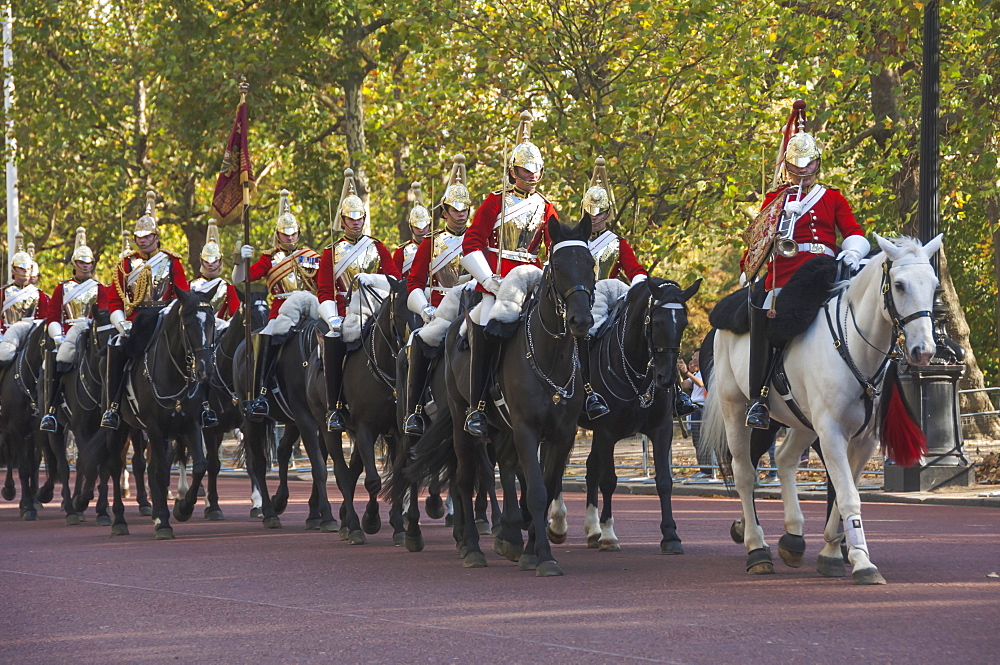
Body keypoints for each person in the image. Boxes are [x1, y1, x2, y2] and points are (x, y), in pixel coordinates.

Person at [740, 100, 868, 429]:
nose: (803, 171)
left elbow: (852, 230)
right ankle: (758, 396)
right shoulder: (775, 199)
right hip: (784, 273)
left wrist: (852, 252)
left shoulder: (833, 197)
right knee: (760, 317)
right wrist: (749, 265)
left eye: (808, 165)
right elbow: (757, 240)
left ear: (817, 164)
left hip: (825, 271)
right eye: (797, 166)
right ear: (788, 166)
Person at [459, 110, 560, 436]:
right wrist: (488, 279)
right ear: (512, 171)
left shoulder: (546, 207)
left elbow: (554, 247)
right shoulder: (494, 203)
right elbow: (472, 243)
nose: (530, 176)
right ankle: (477, 406)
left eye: (535, 172)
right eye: (523, 171)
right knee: (485, 326)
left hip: (532, 284)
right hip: (495, 285)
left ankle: (580, 394)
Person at [583, 156, 695, 417]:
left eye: (601, 213)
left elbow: (635, 270)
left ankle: (675, 393)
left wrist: (641, 286)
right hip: (582, 299)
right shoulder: (573, 240)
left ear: (608, 213)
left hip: (611, 295)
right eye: (591, 212)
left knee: (651, 331)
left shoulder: (617, 242)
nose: (596, 218)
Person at [315, 168, 402, 432]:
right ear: (342, 221)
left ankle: (411, 402)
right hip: (344, 313)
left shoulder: (377, 247)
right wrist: (332, 318)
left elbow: (395, 280)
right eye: (351, 219)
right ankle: (336, 407)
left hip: (375, 307)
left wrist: (373, 280)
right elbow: (325, 290)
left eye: (360, 218)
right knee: (333, 342)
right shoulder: (331, 252)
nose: (356, 223)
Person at [102, 191, 193, 428]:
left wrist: (169, 314)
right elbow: (114, 300)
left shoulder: (172, 261)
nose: (142, 241)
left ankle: (202, 405)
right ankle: (112, 407)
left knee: (195, 348)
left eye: (147, 236)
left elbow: (182, 294)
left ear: (156, 236)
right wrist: (121, 322)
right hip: (135, 320)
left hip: (164, 318)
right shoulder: (125, 263)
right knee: (116, 348)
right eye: (138, 237)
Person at [402, 154, 473, 435]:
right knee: (419, 342)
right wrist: (424, 309)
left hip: (473, 306)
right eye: (454, 209)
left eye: (464, 208)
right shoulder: (430, 244)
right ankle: (415, 410)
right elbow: (414, 283)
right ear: (444, 212)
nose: (460, 213)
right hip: (440, 312)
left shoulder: (481, 238)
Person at [236, 189, 322, 421]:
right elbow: (244, 278)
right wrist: (239, 261)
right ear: (278, 235)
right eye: (286, 235)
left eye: (293, 234)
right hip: (281, 313)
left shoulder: (310, 256)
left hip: (310, 309)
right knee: (265, 342)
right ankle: (260, 394)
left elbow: (323, 281)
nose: (291, 238)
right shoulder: (269, 258)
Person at [39, 228, 108, 432]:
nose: (86, 266)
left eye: (89, 263)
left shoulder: (100, 288)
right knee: (56, 360)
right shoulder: (62, 288)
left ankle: (114, 406)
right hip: (68, 335)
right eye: (82, 263)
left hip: (91, 332)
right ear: (74, 265)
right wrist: (57, 335)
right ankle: (51, 409)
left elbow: (103, 312)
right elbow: (53, 316)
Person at [190, 219, 240, 320]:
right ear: (201, 261)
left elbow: (235, 314)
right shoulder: (190, 285)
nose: (210, 265)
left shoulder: (228, 287)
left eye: (214, 262)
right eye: (207, 261)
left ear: (220, 261)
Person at [1, 233, 49, 337]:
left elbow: (44, 317)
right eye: (21, 268)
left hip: (32, 335)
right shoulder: (3, 292)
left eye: (27, 268)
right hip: (7, 335)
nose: (25, 271)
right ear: (13, 269)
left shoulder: (39, 293)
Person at [679, 351, 713, 479]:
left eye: (695, 356)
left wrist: (686, 372)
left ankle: (708, 469)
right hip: (695, 409)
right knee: (697, 441)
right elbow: (684, 385)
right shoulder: (696, 373)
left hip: (703, 408)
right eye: (692, 356)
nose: (693, 358)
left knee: (703, 440)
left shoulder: (707, 370)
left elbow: (701, 383)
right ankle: (704, 468)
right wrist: (680, 373)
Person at [393, 181, 432, 277]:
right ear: (411, 226)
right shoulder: (402, 251)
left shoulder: (437, 247)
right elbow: (395, 277)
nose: (421, 229)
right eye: (417, 226)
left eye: (424, 226)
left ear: (429, 225)